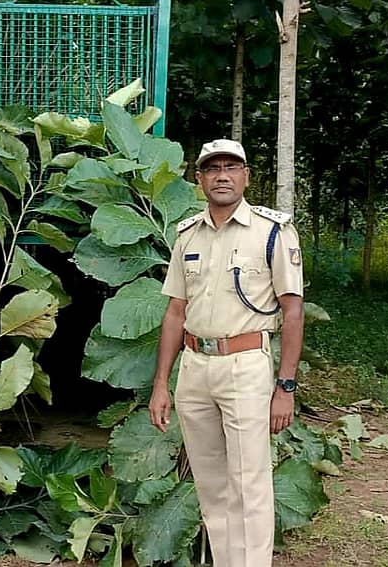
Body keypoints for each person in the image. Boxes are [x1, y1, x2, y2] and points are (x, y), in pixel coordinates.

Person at [148, 139, 304, 567]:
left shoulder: (272, 232)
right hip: (195, 368)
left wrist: (284, 387)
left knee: (249, 481)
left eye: (231, 167)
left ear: (246, 176)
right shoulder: (187, 235)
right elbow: (175, 312)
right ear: (198, 179)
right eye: (212, 168)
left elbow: (293, 312)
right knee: (212, 482)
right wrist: (161, 383)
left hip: (246, 366)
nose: (222, 175)